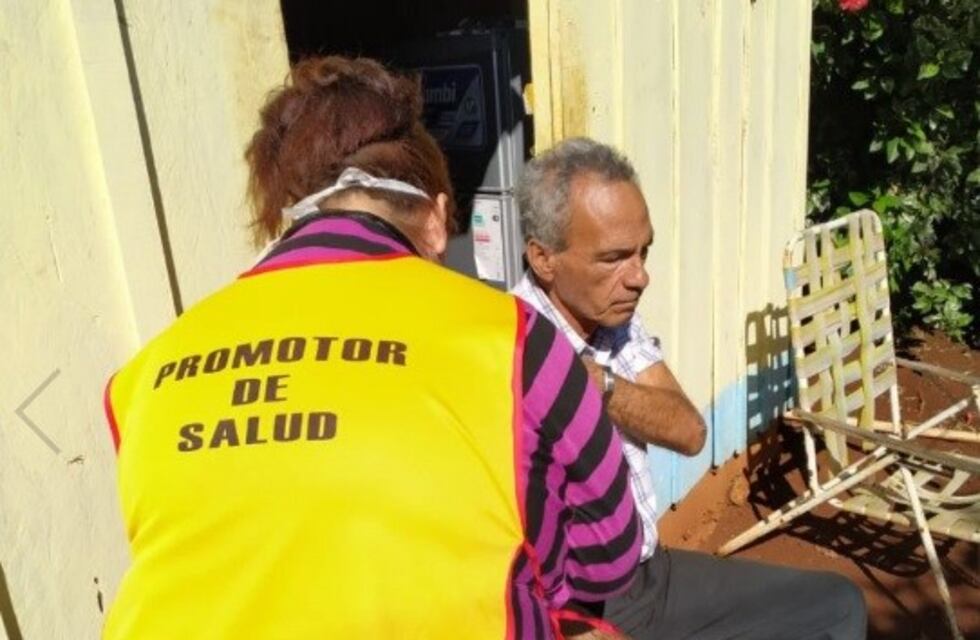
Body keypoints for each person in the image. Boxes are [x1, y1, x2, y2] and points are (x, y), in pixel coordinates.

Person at [101, 59, 641, 639]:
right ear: (436, 222)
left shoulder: (140, 377)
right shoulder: (512, 336)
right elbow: (611, 553)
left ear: (281, 221)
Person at [513, 137, 869, 640]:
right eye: (614, 257)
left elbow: (689, 432)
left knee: (836, 606)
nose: (640, 277)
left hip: (650, 575)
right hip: (582, 609)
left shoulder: (610, 322)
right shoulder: (508, 350)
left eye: (644, 251)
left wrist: (599, 385)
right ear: (544, 259)